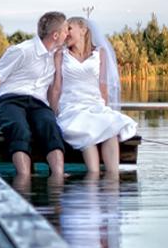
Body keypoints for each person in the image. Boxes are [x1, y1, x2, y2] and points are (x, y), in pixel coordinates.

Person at [0, 11, 69, 184]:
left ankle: (58, 176)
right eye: (65, 30)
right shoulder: (22, 51)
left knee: (50, 125)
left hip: (38, 104)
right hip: (10, 100)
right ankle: (24, 178)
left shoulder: (56, 56)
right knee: (19, 128)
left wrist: (53, 112)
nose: (67, 34)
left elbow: (52, 91)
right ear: (55, 35)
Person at [48, 16, 137, 178]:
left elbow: (103, 86)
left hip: (95, 105)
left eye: (69, 28)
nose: (65, 33)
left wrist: (105, 108)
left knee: (110, 128)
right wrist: (53, 114)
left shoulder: (100, 53)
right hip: (71, 108)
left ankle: (112, 179)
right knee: (86, 131)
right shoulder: (61, 55)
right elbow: (56, 87)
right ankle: (93, 180)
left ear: (83, 30)